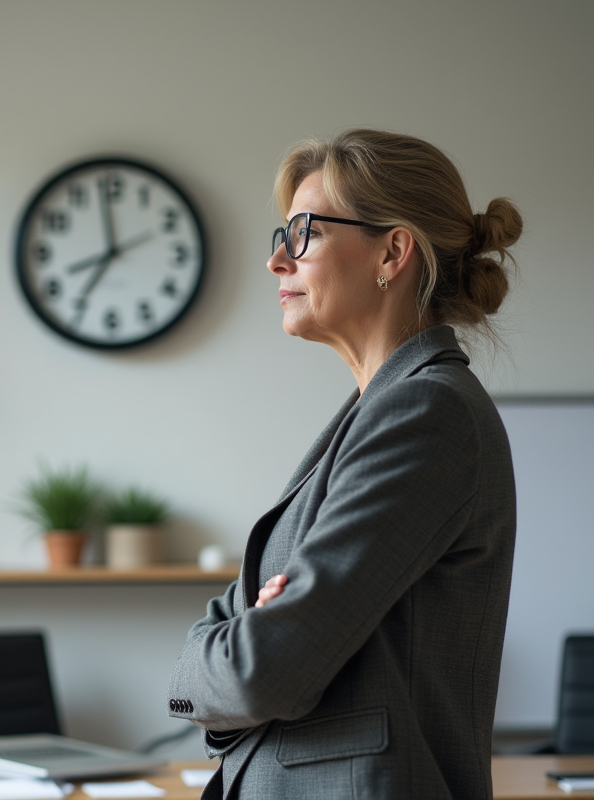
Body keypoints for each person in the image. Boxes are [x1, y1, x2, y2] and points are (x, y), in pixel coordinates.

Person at [166, 129, 523, 800]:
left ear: (393, 251)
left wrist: (240, 641)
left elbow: (266, 671)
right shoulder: (377, 412)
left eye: (305, 232)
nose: (278, 260)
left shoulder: (425, 414)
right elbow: (255, 650)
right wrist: (250, 631)